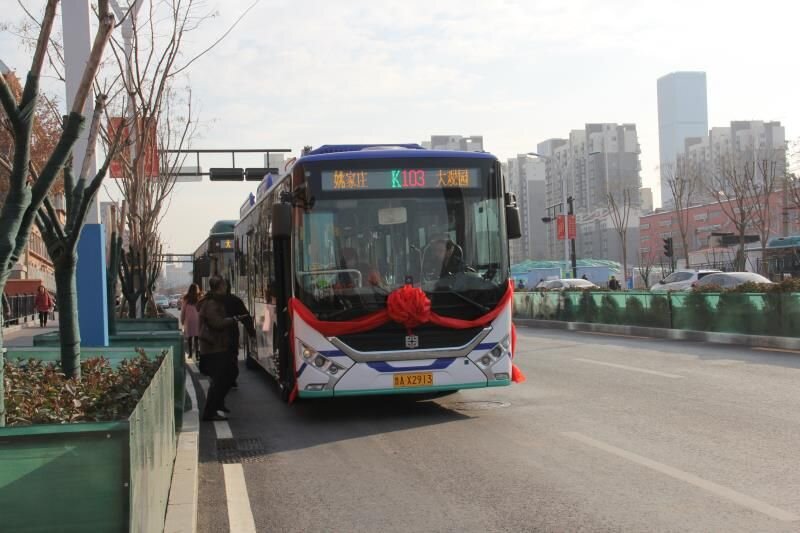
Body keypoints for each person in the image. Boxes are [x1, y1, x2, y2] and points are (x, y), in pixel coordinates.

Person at [197, 275, 239, 421]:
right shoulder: (211, 303)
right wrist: (232, 320)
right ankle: (210, 411)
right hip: (213, 347)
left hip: (218, 346)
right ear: (219, 287)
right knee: (220, 379)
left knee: (229, 374)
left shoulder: (215, 301)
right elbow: (216, 323)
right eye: (224, 285)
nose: (226, 287)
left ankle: (218, 403)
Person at [222, 281, 256, 389]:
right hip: (231, 332)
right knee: (232, 356)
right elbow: (246, 316)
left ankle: (222, 378)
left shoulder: (212, 301)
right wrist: (252, 333)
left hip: (217, 334)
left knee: (221, 356)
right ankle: (232, 379)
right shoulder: (235, 300)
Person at [180, 284, 201, 361]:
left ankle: (190, 354)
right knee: (197, 338)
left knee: (189, 337)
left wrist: (182, 320)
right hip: (197, 320)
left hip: (188, 320)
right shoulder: (199, 298)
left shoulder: (186, 299)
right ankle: (197, 353)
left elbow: (183, 311)